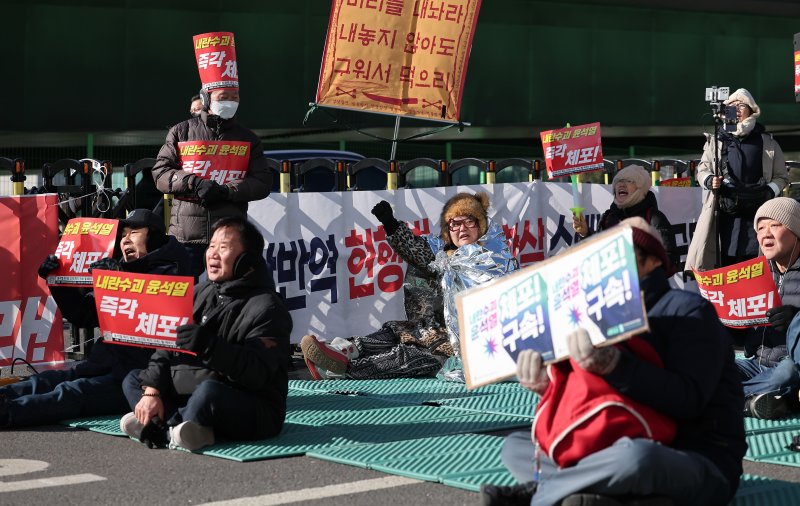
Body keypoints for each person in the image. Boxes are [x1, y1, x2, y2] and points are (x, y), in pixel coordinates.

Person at [486, 217, 746, 506]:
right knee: (515, 447)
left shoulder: (688, 311)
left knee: (636, 458)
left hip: (694, 455)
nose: (607, 268)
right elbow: (590, 402)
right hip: (609, 445)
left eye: (619, 256)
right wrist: (547, 386)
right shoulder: (587, 315)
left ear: (653, 262)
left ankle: (541, 495)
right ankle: (606, 494)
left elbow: (689, 399)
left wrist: (613, 365)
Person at [0, 209, 191, 428]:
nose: (125, 240)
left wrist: (119, 279)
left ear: (154, 236)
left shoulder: (175, 275)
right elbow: (84, 316)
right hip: (105, 360)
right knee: (53, 379)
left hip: (138, 376)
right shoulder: (121, 267)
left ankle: (7, 412)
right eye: (123, 235)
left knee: (72, 392)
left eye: (134, 232)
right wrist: (57, 282)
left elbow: (155, 312)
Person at [300, 192, 518, 381]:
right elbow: (420, 252)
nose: (462, 228)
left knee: (414, 357)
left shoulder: (494, 257)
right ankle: (341, 351)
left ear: (480, 225)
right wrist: (392, 225)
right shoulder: (444, 254)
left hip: (465, 346)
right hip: (436, 328)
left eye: (469, 221)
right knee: (395, 330)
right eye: (455, 223)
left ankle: (343, 369)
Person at [120, 217, 292, 451]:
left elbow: (257, 373)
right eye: (211, 246)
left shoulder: (268, 307)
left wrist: (209, 345)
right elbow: (166, 346)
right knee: (134, 379)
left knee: (209, 393)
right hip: (195, 386)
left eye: (223, 248)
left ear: (246, 259)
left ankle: (160, 426)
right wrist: (152, 392)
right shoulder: (199, 292)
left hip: (250, 405)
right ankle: (186, 429)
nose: (213, 254)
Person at [151, 32, 272, 277]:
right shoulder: (181, 132)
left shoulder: (248, 138)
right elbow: (160, 173)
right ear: (206, 99)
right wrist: (194, 183)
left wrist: (227, 190)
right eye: (223, 97)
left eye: (234, 97)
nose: (230, 102)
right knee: (187, 298)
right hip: (186, 237)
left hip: (229, 238)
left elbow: (262, 182)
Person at [685, 88, 788, 272]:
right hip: (725, 213)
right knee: (725, 260)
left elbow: (781, 176)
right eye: (732, 106)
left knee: (756, 264)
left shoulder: (767, 141)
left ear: (751, 109)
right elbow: (702, 169)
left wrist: (769, 191)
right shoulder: (717, 139)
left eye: (741, 105)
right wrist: (710, 181)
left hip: (757, 214)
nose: (737, 109)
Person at [735, 197, 800, 419]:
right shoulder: (754, 272)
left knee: (786, 373)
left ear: (796, 230)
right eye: (760, 228)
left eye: (775, 225)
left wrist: (794, 317)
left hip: (790, 366)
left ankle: (727, 399)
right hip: (755, 363)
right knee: (709, 364)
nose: (766, 234)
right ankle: (755, 401)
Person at [572, 164, 679, 268]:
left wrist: (640, 267)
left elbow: (670, 260)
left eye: (629, 181)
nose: (621, 185)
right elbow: (597, 254)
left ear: (640, 188)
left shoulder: (654, 218)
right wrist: (585, 234)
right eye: (618, 181)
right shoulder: (608, 217)